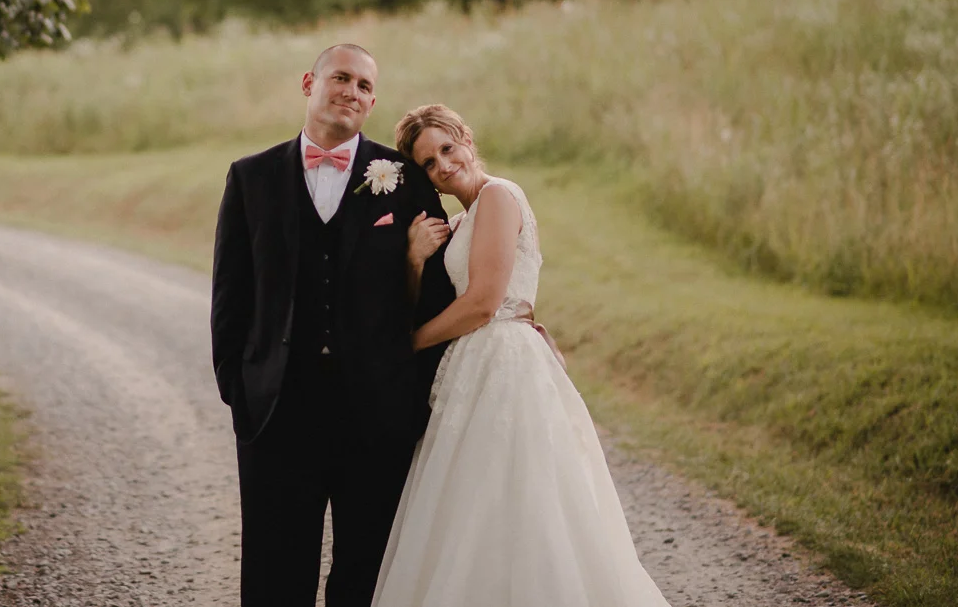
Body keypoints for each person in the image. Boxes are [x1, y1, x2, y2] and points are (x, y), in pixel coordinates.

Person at [372, 104, 673, 607]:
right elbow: (443, 301)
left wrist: (408, 344)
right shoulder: (461, 220)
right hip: (472, 364)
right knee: (471, 501)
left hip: (505, 361)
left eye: (447, 148)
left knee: (523, 494)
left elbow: (484, 303)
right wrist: (414, 260)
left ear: (467, 140)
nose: (443, 165)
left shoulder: (498, 196)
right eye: (428, 162)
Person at [211, 44, 456, 607]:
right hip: (278, 408)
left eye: (365, 86)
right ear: (309, 83)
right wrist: (240, 388)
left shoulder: (406, 179)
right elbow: (231, 296)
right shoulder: (250, 177)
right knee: (275, 573)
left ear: (372, 102)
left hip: (375, 411)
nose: (352, 91)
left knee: (365, 573)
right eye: (341, 77)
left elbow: (435, 297)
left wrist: (409, 391)